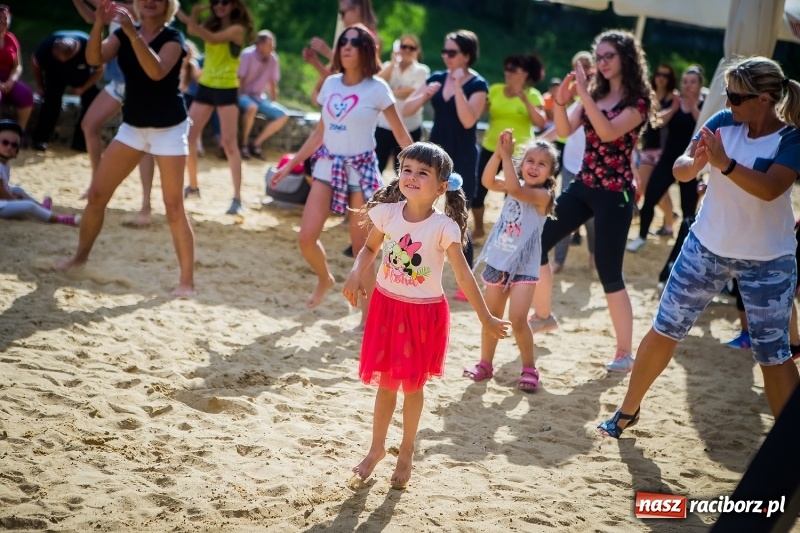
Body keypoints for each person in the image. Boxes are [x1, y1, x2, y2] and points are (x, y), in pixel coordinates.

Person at [598, 56, 800, 439]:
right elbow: (681, 166)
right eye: (728, 95)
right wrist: (692, 165)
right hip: (706, 245)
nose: (730, 103)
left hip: (768, 260)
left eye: (738, 97)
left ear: (765, 99)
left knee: (773, 357)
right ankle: (627, 410)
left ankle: (788, 446)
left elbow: (772, 188)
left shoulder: (790, 138)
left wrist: (723, 166)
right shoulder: (723, 121)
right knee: (664, 329)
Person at [342, 142, 510, 489]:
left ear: (442, 186)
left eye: (423, 173)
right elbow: (370, 248)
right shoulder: (387, 212)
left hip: (422, 316)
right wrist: (357, 272)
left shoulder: (444, 227)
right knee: (386, 383)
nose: (412, 177)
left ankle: (406, 450)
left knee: (411, 386)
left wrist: (487, 319)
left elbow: (463, 277)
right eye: (407, 170)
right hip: (387, 308)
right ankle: (376, 449)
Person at [269, 24, 412, 329]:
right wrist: (289, 164)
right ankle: (325, 279)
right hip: (326, 167)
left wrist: (426, 166)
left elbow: (400, 133)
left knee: (364, 250)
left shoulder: (377, 88)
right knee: (306, 239)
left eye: (355, 42)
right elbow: (320, 133)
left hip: (361, 171)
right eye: (342, 42)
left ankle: (368, 316)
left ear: (367, 50)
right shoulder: (331, 83)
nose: (346, 46)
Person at [531, 30, 655, 373]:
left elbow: (606, 132)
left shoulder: (638, 101)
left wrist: (583, 94)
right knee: (537, 241)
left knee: (608, 271)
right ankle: (543, 316)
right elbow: (562, 130)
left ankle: (624, 351)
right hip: (584, 184)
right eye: (598, 56)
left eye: (608, 56)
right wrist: (561, 100)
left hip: (616, 194)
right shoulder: (593, 94)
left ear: (626, 59)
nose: (601, 63)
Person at [57, 0, 195, 298]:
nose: (150, 1)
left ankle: (187, 282)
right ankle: (79, 259)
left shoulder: (173, 39)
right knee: (96, 195)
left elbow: (156, 72)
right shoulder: (122, 34)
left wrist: (133, 35)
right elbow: (94, 58)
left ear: (167, 5)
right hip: (133, 126)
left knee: (173, 208)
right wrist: (97, 23)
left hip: (170, 129)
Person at [464, 131, 557, 391]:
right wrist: (497, 152)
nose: (534, 167)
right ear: (521, 164)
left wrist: (506, 156)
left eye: (542, 164)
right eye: (530, 160)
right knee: (491, 317)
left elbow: (515, 188)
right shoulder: (511, 184)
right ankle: (485, 364)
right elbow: (486, 180)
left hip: (524, 268)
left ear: (551, 174)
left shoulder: (543, 197)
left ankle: (529, 368)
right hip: (498, 261)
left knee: (518, 320)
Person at [404, 29, 488, 301]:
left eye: (452, 52)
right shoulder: (437, 78)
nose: (446, 56)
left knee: (457, 217)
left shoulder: (478, 85)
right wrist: (425, 94)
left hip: (462, 157)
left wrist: (460, 89)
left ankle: (467, 283)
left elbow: (467, 121)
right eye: (444, 51)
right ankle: (418, 271)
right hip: (434, 158)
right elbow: (407, 109)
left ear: (466, 55)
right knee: (423, 212)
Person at [71, 0, 156, 228]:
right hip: (118, 82)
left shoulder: (139, 7)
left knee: (144, 144)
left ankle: (146, 205)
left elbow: (105, 4)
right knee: (89, 125)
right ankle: (96, 184)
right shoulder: (119, 8)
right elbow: (93, 17)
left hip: (138, 82)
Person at [177, 0, 253, 216]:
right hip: (206, 86)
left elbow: (209, 37)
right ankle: (193, 187)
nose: (220, 6)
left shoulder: (238, 29)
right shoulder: (211, 23)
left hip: (227, 88)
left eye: (224, 2)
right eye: (216, 2)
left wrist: (191, 14)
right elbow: (192, 28)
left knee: (230, 144)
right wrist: (185, 13)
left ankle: (237, 199)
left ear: (234, 5)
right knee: (188, 137)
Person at [628, 65, 704, 252]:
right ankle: (642, 236)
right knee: (650, 197)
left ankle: (683, 247)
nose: (688, 86)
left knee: (688, 210)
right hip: (668, 159)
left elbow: (704, 127)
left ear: (700, 84)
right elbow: (658, 122)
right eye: (685, 81)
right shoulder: (675, 101)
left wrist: (693, 107)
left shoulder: (704, 105)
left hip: (691, 163)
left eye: (693, 82)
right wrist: (675, 108)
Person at [473, 53, 546, 239]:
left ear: (525, 73)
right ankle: (479, 229)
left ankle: (508, 233)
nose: (508, 72)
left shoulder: (533, 95)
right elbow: (477, 113)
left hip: (520, 153)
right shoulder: (496, 89)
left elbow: (541, 122)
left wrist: (525, 101)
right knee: (477, 191)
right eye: (506, 68)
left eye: (513, 69)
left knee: (514, 195)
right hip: (492, 147)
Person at [30, 31, 104, 153]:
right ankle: (40, 140)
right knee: (50, 101)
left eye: (60, 58)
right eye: (56, 57)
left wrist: (83, 88)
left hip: (81, 75)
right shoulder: (47, 45)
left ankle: (80, 143)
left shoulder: (88, 46)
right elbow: (35, 63)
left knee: (93, 99)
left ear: (72, 54)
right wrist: (40, 85)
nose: (58, 59)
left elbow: (100, 69)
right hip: (55, 75)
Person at [0, 119, 79, 226]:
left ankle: (42, 209)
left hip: (2, 202)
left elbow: (4, 189)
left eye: (14, 145)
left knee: (18, 189)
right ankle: (59, 219)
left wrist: (14, 195)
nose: (9, 147)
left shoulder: (5, 164)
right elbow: (2, 192)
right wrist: (16, 200)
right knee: (28, 206)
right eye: (5, 143)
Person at [374, 34, 429, 175]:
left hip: (409, 127)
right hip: (383, 125)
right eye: (404, 46)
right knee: (377, 166)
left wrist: (387, 91)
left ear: (417, 51)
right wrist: (393, 63)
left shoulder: (422, 70)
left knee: (405, 169)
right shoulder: (388, 66)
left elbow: (411, 92)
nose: (407, 50)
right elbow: (375, 84)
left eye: (412, 47)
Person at [634, 63, 677, 229]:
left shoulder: (672, 98)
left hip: (662, 149)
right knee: (644, 186)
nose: (661, 78)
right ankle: (669, 217)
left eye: (665, 75)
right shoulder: (649, 94)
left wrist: (671, 111)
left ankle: (668, 224)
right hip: (647, 147)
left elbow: (658, 121)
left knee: (658, 187)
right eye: (659, 73)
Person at [237, 29, 289, 160]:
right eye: (270, 45)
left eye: (273, 46)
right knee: (251, 107)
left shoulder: (273, 58)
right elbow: (239, 79)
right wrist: (236, 100)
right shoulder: (247, 55)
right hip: (243, 95)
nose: (272, 49)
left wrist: (273, 102)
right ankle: (243, 144)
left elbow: (273, 84)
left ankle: (256, 144)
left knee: (283, 115)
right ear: (259, 44)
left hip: (259, 97)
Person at [0, 5, 34, 139]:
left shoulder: (11, 39)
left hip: (8, 78)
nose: (3, 21)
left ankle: (20, 132)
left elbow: (18, 66)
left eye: (5, 18)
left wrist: (11, 81)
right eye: (0, 18)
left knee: (26, 94)